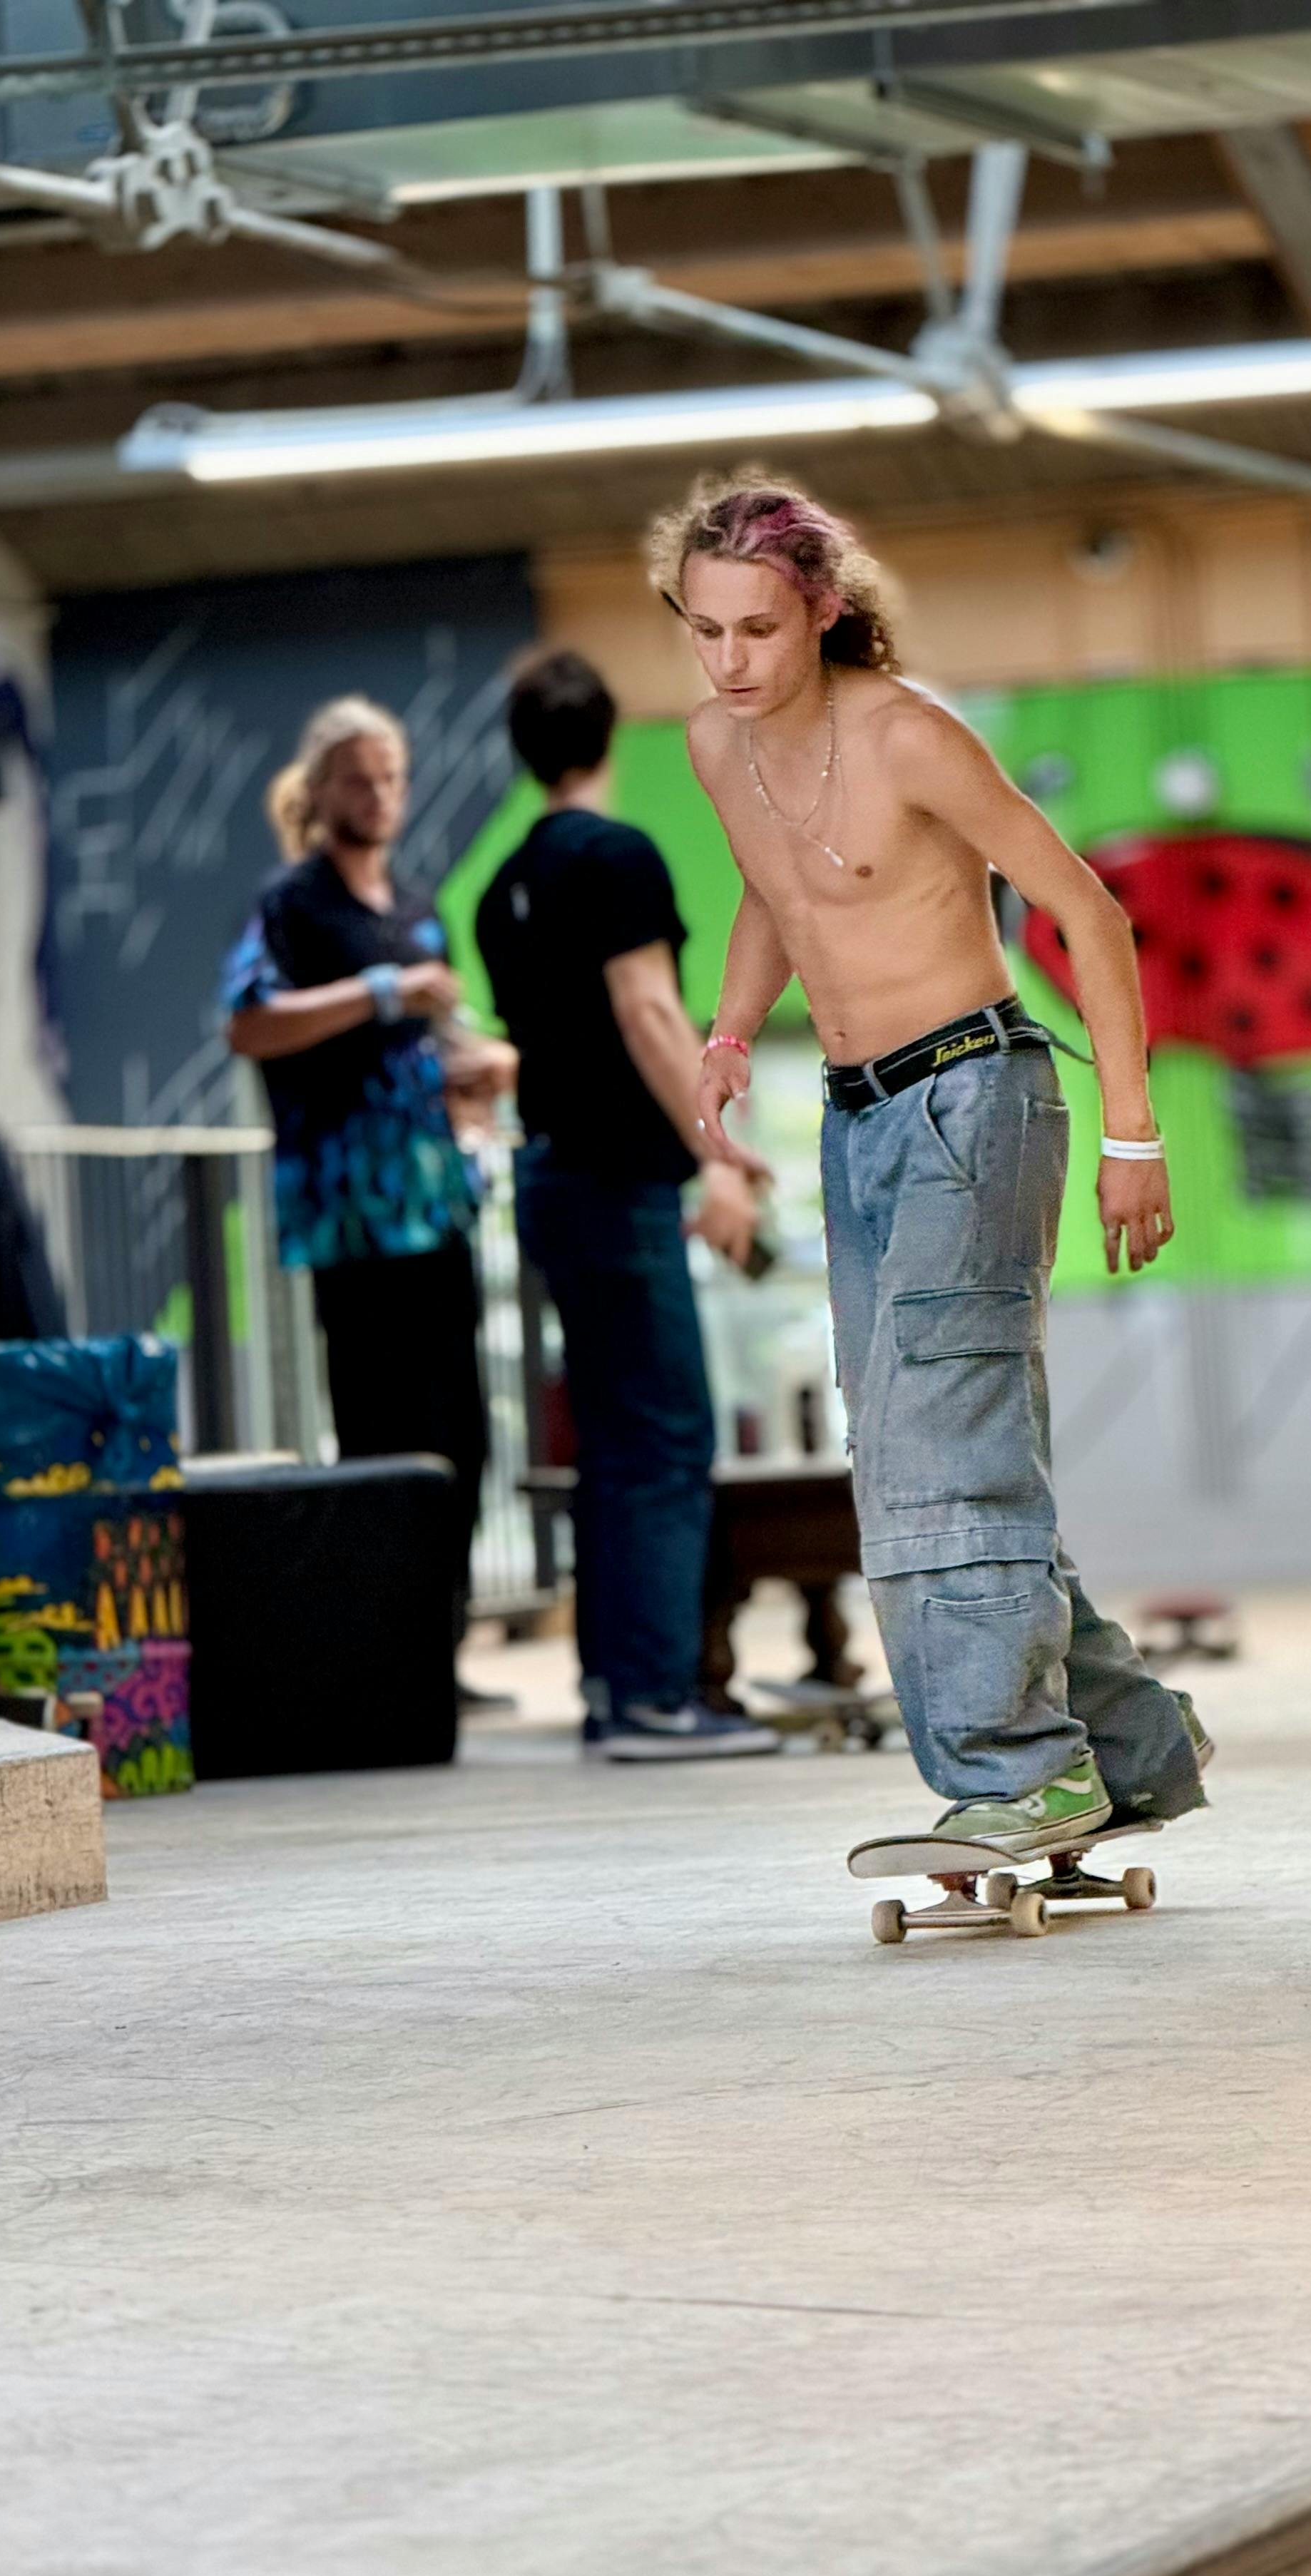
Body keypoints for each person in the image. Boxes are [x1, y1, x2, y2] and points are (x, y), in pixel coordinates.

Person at [649, 474, 1211, 1848]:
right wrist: (730, 1030)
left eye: (759, 632)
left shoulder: (908, 737)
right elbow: (776, 892)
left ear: (824, 612)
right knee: (926, 1437)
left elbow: (1092, 913)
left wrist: (1133, 1134)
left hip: (977, 1095)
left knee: (934, 1452)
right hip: (856, 1122)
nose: (730, 662)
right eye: (705, 629)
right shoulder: (718, 750)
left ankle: (1025, 1774)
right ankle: (1130, 1744)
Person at [476, 648, 779, 1760]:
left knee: (611, 1443)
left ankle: (615, 1687)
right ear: (611, 737)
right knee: (663, 1436)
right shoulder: (616, 856)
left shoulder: (507, 883)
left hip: (552, 1175)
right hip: (616, 1180)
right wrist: (716, 1150)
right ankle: (657, 1697)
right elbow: (650, 1013)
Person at [223, 695, 514, 1704]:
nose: (378, 795)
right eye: (358, 778)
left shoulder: (415, 901)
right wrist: (382, 992)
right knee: (381, 1432)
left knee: (463, 1431)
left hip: (435, 1204)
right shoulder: (294, 903)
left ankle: (443, 1641)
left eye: (391, 776)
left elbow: (433, 1054)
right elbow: (250, 1023)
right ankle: (387, 1654)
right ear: (322, 788)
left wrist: (475, 1075)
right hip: (351, 1216)